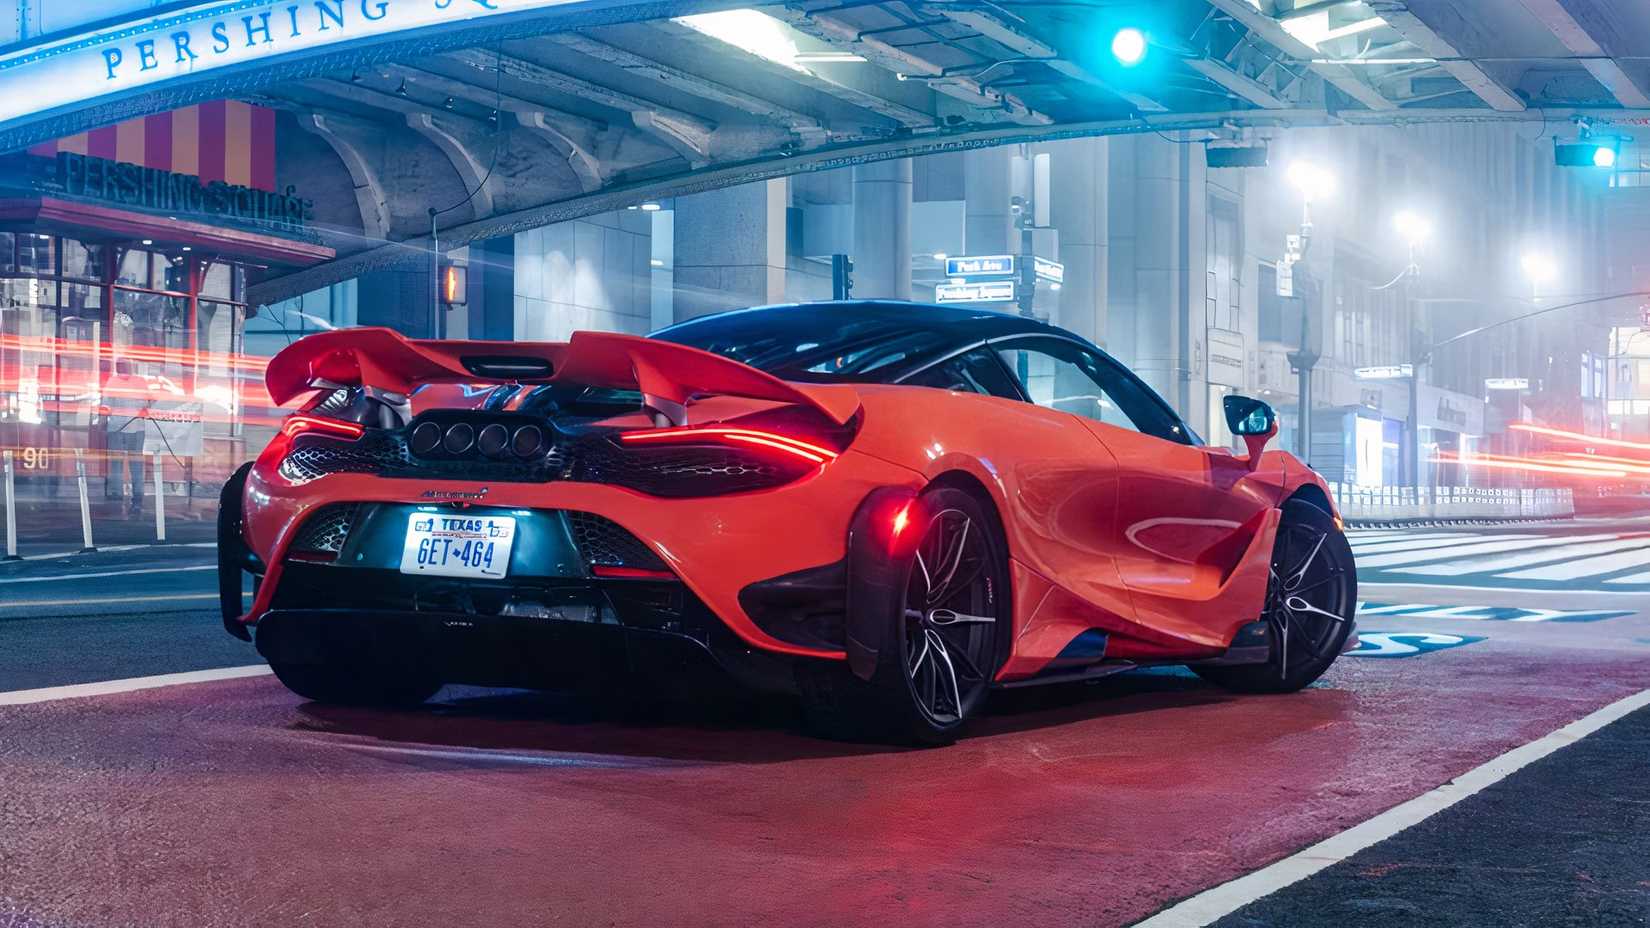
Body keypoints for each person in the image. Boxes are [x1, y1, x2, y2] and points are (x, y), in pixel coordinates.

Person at [102, 358, 149, 515]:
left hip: (135, 429)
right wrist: (103, 421)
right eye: (119, 366)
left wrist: (145, 410)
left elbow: (149, 402)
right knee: (118, 465)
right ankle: (119, 497)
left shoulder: (139, 381)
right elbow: (106, 404)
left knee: (133, 466)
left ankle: (136, 499)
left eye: (124, 366)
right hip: (119, 428)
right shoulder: (113, 382)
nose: (121, 369)